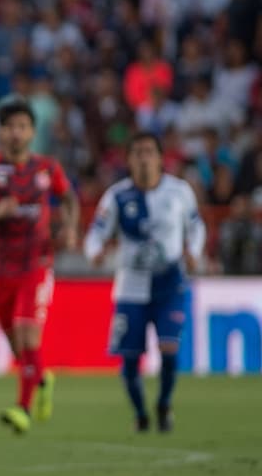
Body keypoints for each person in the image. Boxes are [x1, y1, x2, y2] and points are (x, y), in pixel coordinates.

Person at [0, 95, 79, 434]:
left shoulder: (47, 168)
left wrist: (70, 227)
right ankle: (42, 379)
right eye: (10, 127)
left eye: (22, 127)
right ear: (1, 132)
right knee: (18, 347)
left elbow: (69, 197)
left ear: (31, 132)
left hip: (36, 264)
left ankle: (22, 408)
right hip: (1, 270)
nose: (16, 133)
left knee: (28, 332)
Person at [83, 132, 206, 433]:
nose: (143, 158)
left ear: (160, 158)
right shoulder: (117, 196)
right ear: (128, 160)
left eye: (149, 151)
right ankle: (140, 413)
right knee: (129, 359)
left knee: (169, 349)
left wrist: (194, 251)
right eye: (137, 152)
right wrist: (94, 252)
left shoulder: (179, 192)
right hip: (131, 285)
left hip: (170, 282)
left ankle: (164, 403)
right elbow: (95, 232)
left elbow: (196, 225)